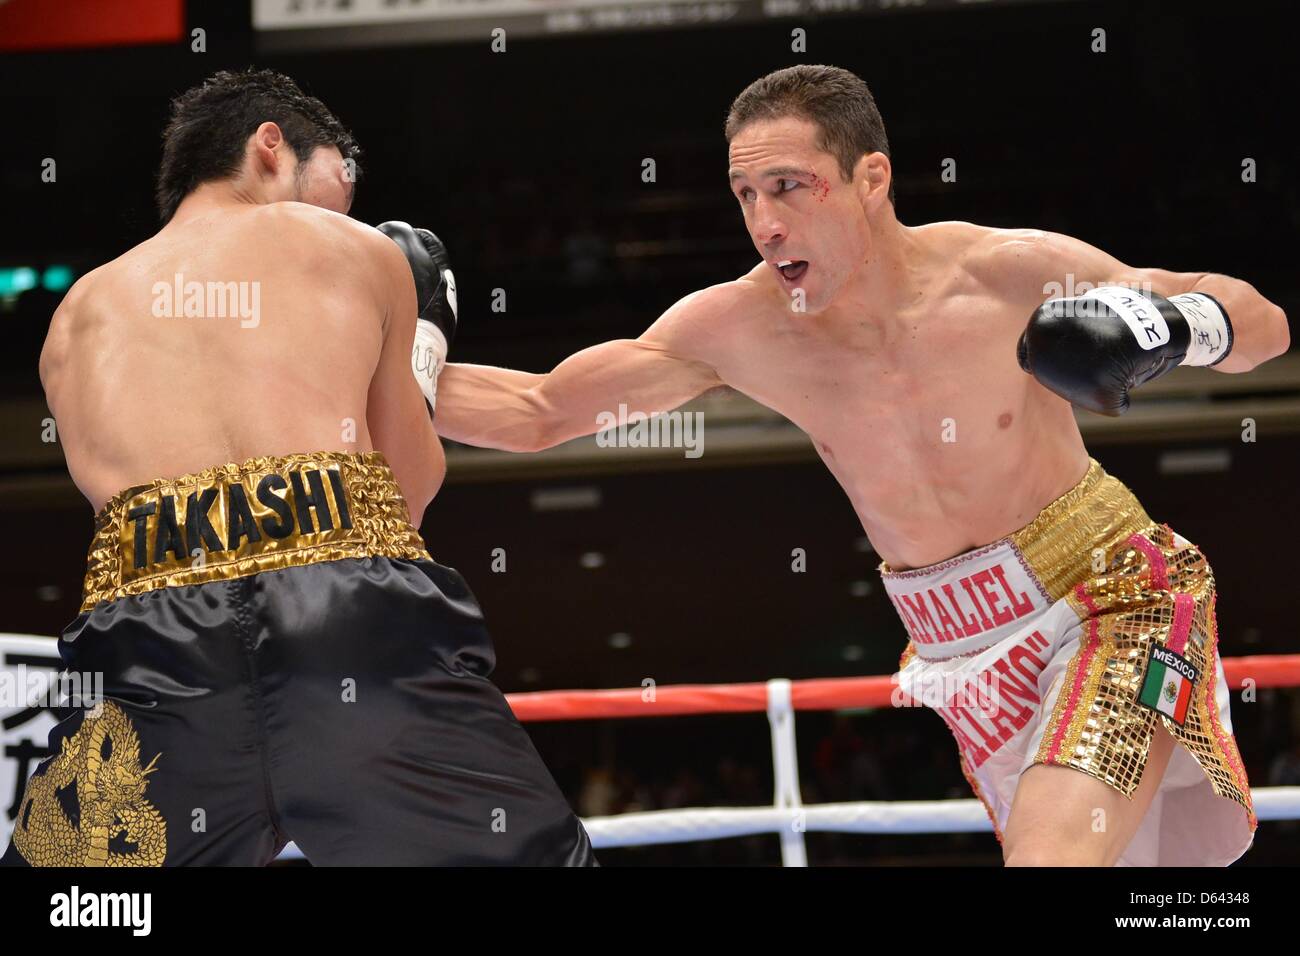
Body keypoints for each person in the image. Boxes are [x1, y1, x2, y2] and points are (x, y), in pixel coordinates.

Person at [434, 64, 1291, 866]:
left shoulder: (1003, 274)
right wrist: (393, 359)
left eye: (790, 187)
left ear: (871, 179)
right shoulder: (740, 327)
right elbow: (541, 412)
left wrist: (1176, 328)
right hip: (962, 645)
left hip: (1111, 596)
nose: (765, 224)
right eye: (745, 195)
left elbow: (1265, 326)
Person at [2, 68, 594, 866]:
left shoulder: (74, 318)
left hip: (150, 657)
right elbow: (406, 494)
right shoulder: (357, 251)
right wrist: (423, 348)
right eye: (337, 182)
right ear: (270, 147)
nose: (344, 208)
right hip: (347, 622)